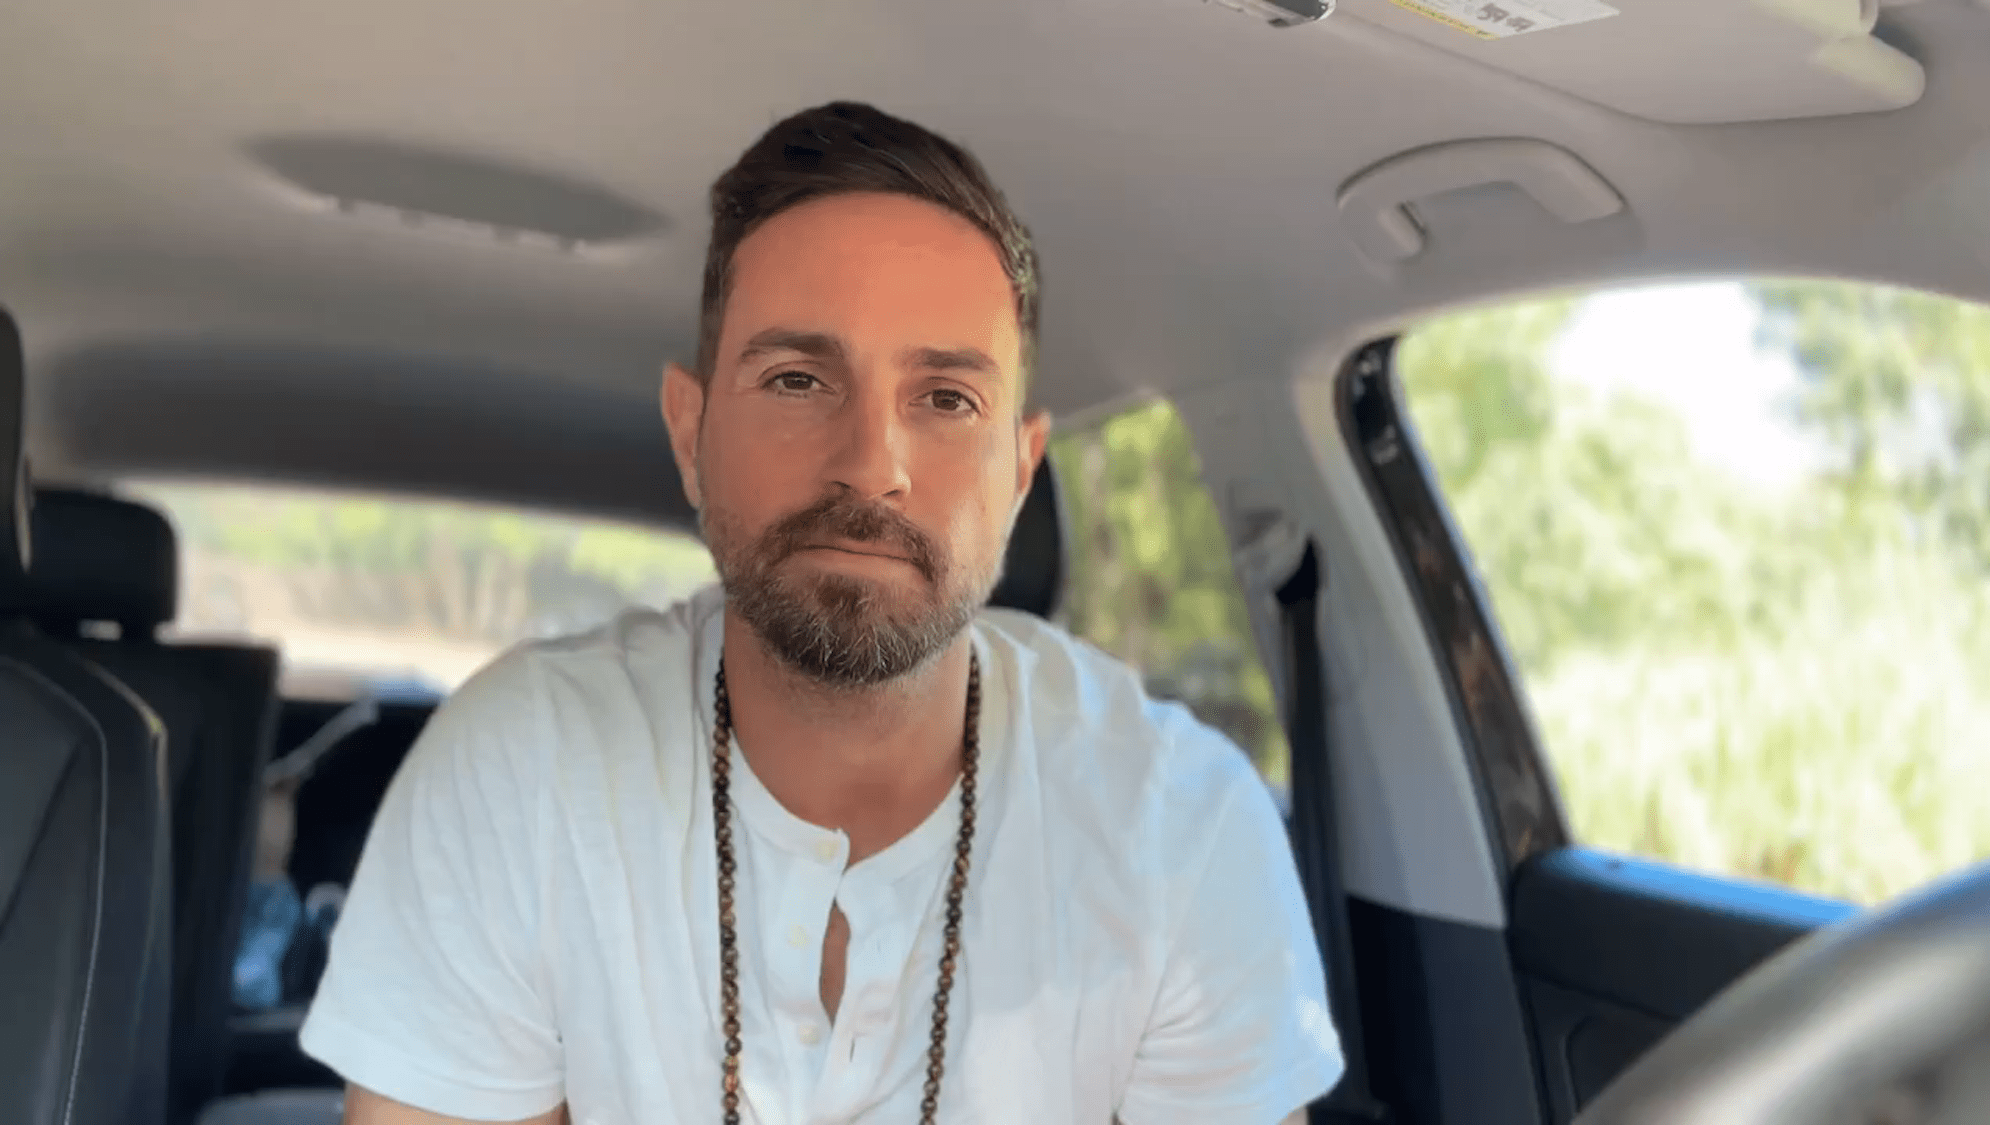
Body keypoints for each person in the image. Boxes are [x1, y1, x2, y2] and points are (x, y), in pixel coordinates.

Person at [299, 100, 1343, 1125]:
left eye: (947, 399)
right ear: (690, 433)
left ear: (1021, 472)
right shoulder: (522, 768)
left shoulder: (1180, 830)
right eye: (798, 379)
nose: (871, 464)